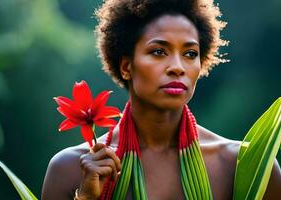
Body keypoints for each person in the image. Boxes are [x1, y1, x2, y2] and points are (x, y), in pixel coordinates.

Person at [42, 0, 281, 199]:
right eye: (158, 51)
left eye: (190, 54)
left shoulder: (246, 167)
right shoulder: (71, 170)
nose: (177, 67)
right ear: (126, 66)